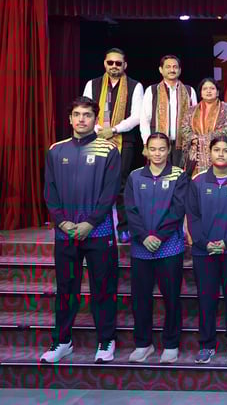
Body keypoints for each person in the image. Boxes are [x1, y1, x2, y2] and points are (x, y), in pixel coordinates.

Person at [41, 96, 121, 364]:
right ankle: (62, 341)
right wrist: (62, 222)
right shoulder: (56, 150)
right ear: (70, 119)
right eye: (77, 114)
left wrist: (90, 222)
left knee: (103, 288)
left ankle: (106, 340)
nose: (81, 119)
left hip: (98, 232)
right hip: (65, 233)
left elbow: (110, 191)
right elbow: (50, 190)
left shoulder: (109, 150)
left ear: (95, 119)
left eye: (87, 115)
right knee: (66, 288)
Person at [124, 132, 188, 364]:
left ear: (168, 150)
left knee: (171, 297)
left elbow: (178, 209)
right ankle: (143, 343)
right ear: (146, 150)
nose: (157, 153)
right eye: (153, 149)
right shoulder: (134, 176)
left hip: (169, 246)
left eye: (162, 149)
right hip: (141, 247)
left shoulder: (179, 176)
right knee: (141, 298)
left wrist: (159, 236)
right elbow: (130, 210)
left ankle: (171, 344)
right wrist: (144, 236)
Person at [186, 136, 227, 365]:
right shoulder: (197, 181)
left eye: (226, 150)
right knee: (206, 299)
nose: (221, 154)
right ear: (210, 153)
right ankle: (207, 345)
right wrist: (204, 243)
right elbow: (193, 217)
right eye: (216, 150)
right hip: (204, 251)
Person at [83, 48, 144, 242]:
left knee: (121, 184)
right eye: (110, 63)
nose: (114, 66)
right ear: (105, 64)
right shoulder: (92, 84)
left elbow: (137, 116)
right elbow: (86, 110)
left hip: (123, 141)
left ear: (125, 65)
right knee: (95, 183)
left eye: (118, 63)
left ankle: (124, 227)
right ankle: (94, 224)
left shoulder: (135, 86)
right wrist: (99, 129)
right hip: (95, 138)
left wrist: (114, 130)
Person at [139, 55, 198, 166]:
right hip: (158, 145)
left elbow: (195, 120)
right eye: (168, 67)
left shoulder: (189, 91)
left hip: (183, 145)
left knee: (180, 174)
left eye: (175, 67)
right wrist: (146, 143)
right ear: (161, 70)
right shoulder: (152, 90)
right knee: (160, 173)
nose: (172, 70)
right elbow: (145, 120)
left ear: (180, 70)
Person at [179, 78, 227, 175]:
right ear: (200, 93)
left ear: (217, 92)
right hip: (196, 158)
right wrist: (193, 138)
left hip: (219, 152)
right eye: (205, 89)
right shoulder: (191, 111)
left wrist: (203, 139)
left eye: (212, 88)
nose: (208, 91)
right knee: (196, 181)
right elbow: (184, 127)